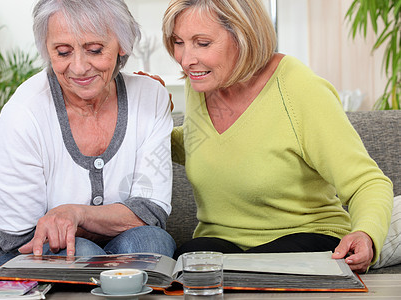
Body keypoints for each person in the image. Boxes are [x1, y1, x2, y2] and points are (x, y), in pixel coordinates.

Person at [162, 0, 393, 273]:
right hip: (221, 245)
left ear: (243, 35)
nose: (186, 59)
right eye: (179, 42)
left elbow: (366, 182)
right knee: (183, 262)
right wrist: (136, 121)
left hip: (304, 238)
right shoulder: (203, 81)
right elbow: (201, 143)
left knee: (255, 269)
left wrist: (366, 233)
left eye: (202, 43)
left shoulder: (298, 88)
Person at [0, 0, 175, 267]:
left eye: (94, 50)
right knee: (80, 250)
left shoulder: (150, 97)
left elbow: (151, 213)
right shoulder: (24, 112)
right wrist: (105, 223)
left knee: (151, 242)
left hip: (120, 246)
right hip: (15, 259)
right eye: (63, 52)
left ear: (122, 45)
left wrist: (75, 215)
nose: (79, 68)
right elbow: (19, 238)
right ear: (47, 50)